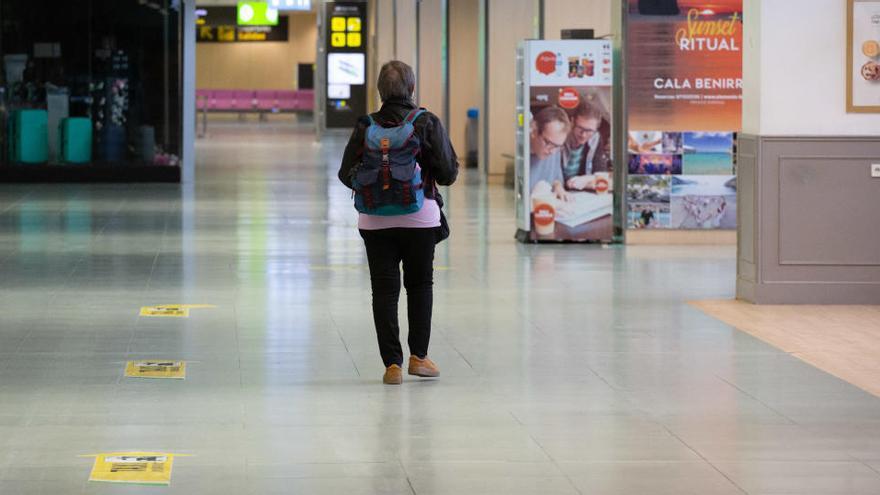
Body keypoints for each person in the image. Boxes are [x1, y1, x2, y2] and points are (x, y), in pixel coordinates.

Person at [338, 61, 458, 385]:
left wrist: (377, 186)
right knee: (419, 285)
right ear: (412, 88)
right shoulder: (426, 122)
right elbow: (448, 173)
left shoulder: (366, 125)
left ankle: (392, 365)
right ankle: (419, 357)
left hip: (374, 220)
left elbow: (344, 173)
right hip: (421, 220)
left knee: (384, 290)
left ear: (379, 90)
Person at [563, 101, 612, 191]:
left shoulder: (595, 138)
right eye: (580, 128)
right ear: (572, 122)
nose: (583, 135)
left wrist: (588, 178)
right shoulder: (560, 136)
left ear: (596, 129)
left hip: (580, 191)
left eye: (589, 131)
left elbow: (600, 171)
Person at [529, 106, 570, 201]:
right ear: (534, 130)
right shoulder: (518, 155)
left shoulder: (555, 149)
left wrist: (558, 187)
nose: (552, 152)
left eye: (557, 146)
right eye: (548, 143)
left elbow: (556, 179)